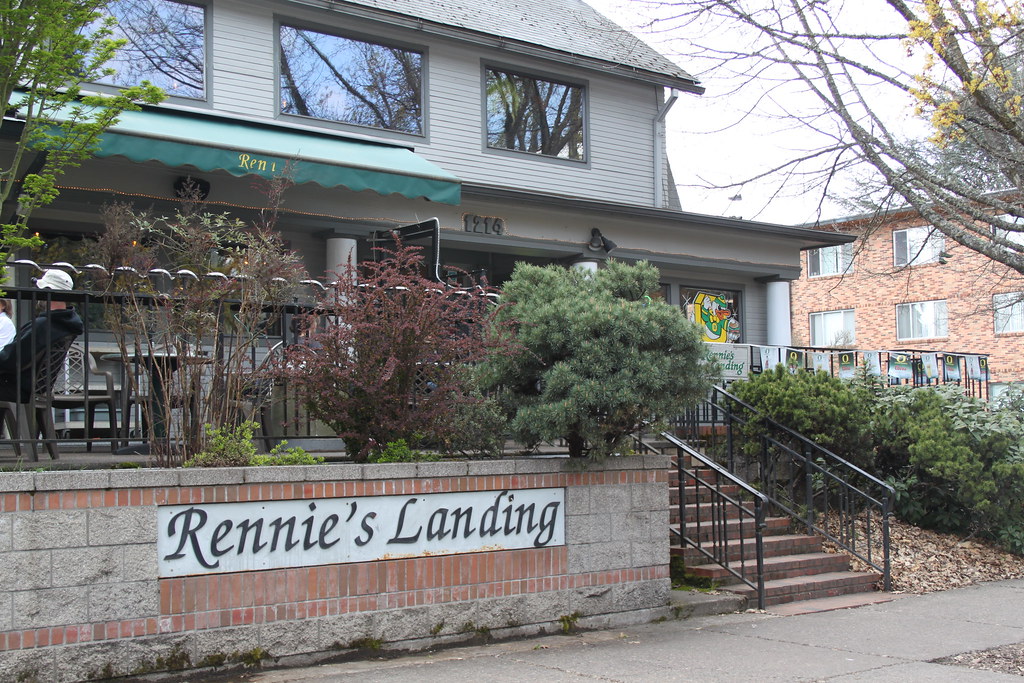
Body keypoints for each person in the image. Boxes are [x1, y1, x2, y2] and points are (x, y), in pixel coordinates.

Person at [0, 269, 84, 400]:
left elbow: (9, 359)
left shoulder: (43, 325)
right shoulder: (64, 325)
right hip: (34, 387)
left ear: (47, 291)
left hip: (15, 386)